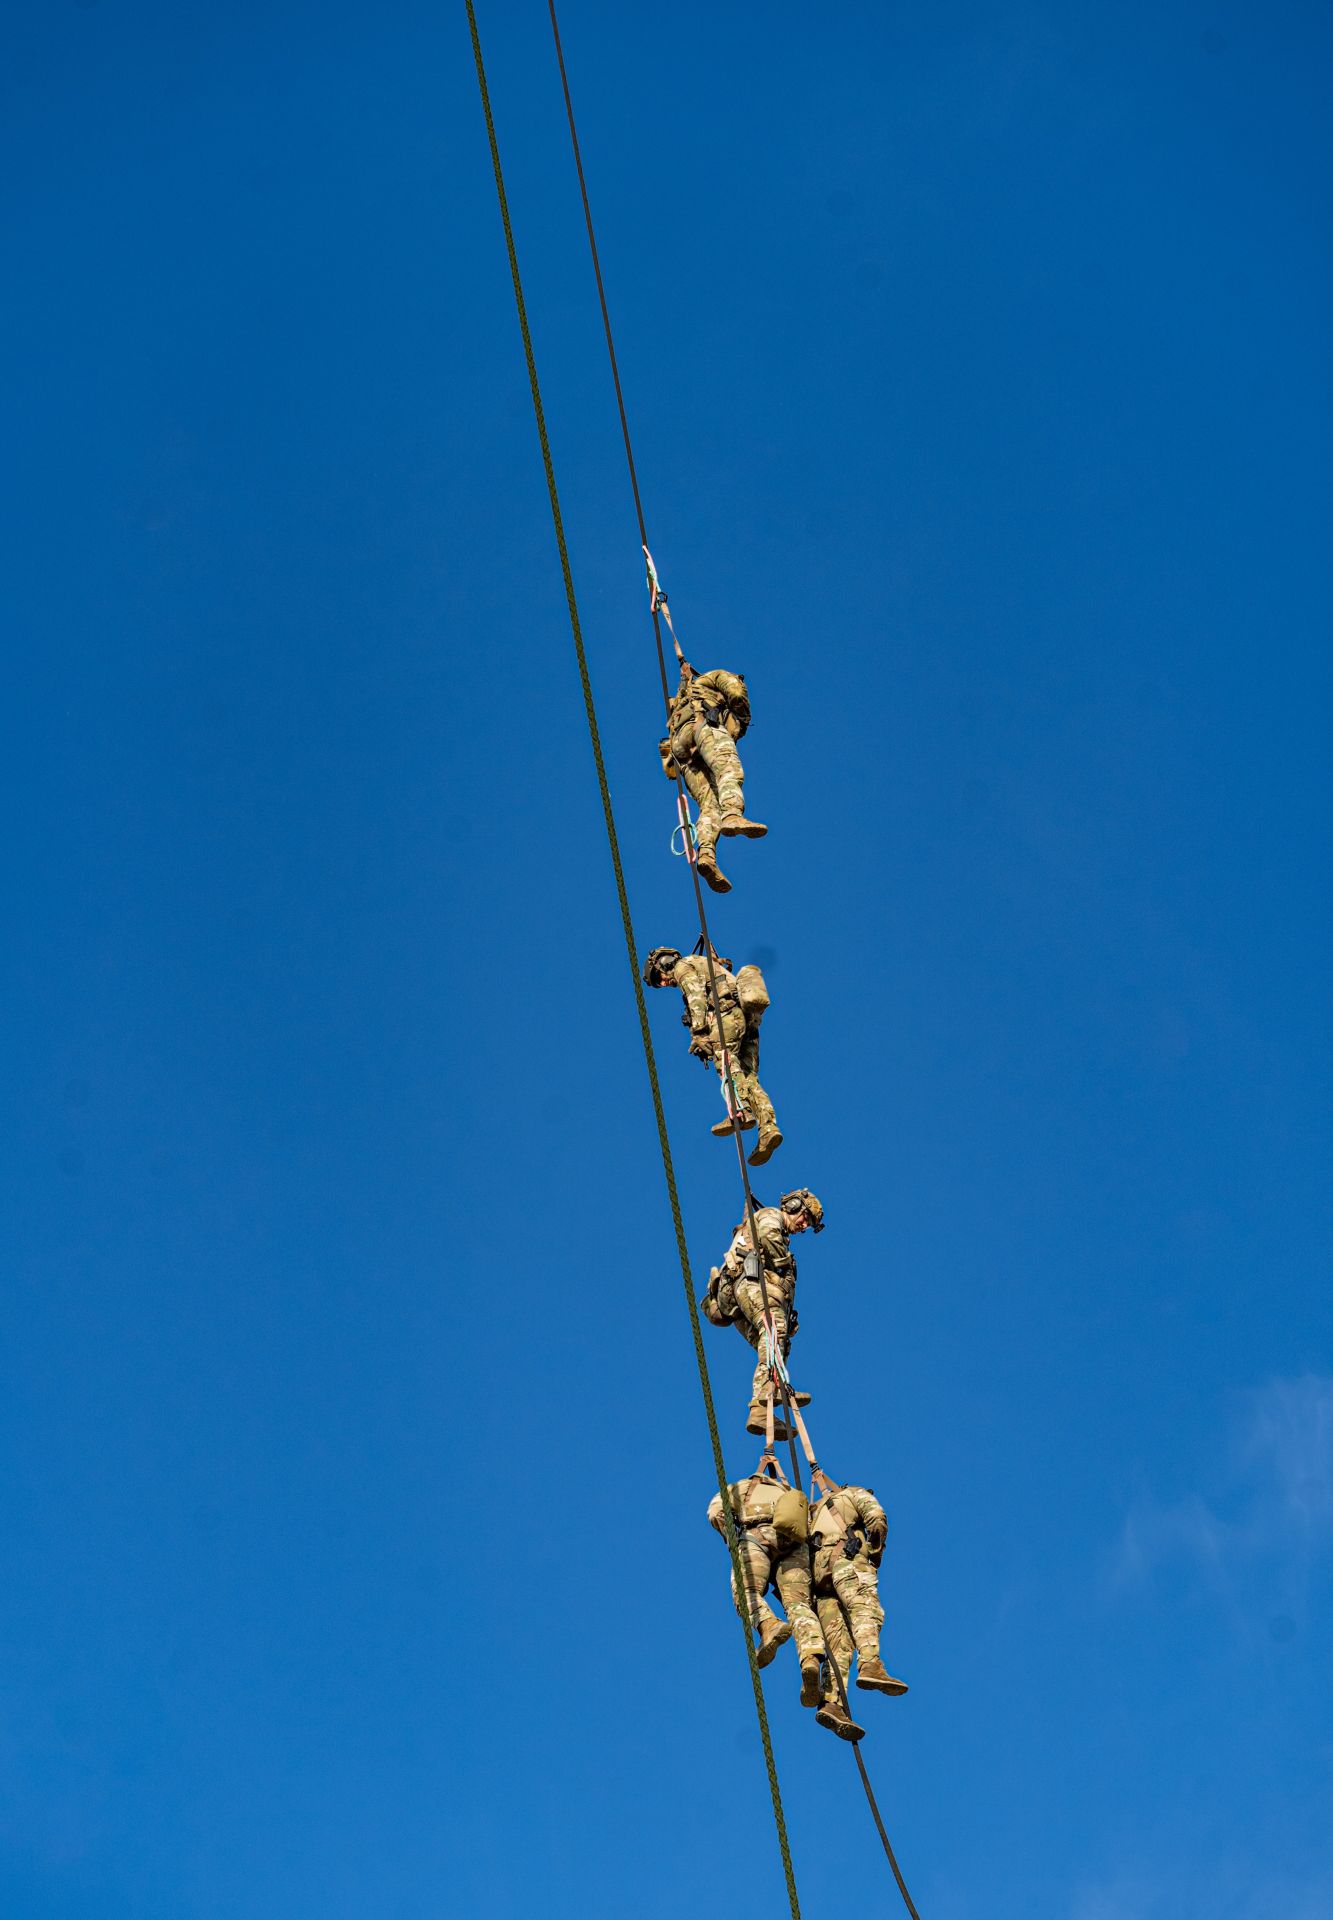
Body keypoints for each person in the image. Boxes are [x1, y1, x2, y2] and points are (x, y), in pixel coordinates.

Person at [641, 944, 782, 1165]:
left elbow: (695, 994)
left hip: (726, 1017)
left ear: (663, 963)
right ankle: (768, 1128)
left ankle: (741, 1110)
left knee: (726, 1064)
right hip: (748, 1024)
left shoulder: (683, 966)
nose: (665, 983)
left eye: (660, 978)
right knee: (748, 1077)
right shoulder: (709, 965)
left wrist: (699, 1032)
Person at [701, 1190, 825, 1435]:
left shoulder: (779, 1231)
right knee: (774, 1330)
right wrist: (782, 1263)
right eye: (804, 1218)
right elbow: (768, 1235)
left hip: (738, 1298)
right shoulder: (771, 1216)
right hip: (747, 1285)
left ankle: (760, 1408)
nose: (803, 1226)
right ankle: (767, 1395)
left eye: (809, 1224)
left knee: (771, 1345)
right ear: (793, 1206)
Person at [706, 1464, 825, 1710]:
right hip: (796, 1545)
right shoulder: (789, 1491)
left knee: (746, 1590)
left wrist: (733, 1541)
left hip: (757, 1535)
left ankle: (768, 1625)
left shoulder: (740, 1487)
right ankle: (811, 1659)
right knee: (799, 1605)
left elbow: (716, 1512)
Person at [658, 651, 766, 894]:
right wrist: (742, 717)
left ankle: (706, 854)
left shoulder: (687, 693)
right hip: (704, 726)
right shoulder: (719, 677)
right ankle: (733, 814)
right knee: (729, 768)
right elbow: (737, 694)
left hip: (681, 748)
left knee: (709, 805)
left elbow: (684, 688)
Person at [809, 1477, 907, 1741]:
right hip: (847, 1560)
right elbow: (876, 1518)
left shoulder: (812, 1512)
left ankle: (831, 1702)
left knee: (838, 1642)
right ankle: (871, 1664)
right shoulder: (854, 1494)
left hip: (819, 1580)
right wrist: (874, 1552)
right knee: (865, 1607)